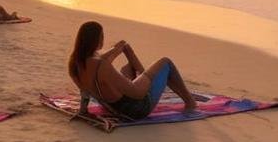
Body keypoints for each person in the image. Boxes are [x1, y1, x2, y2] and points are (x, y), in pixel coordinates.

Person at [67, 21, 197, 119]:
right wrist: (145, 77)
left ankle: (140, 69)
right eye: (102, 36)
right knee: (165, 62)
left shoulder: (74, 63)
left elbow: (84, 91)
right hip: (136, 110)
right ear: (97, 40)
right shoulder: (102, 66)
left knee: (127, 67)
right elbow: (137, 93)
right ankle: (190, 102)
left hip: (110, 108)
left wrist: (120, 48)